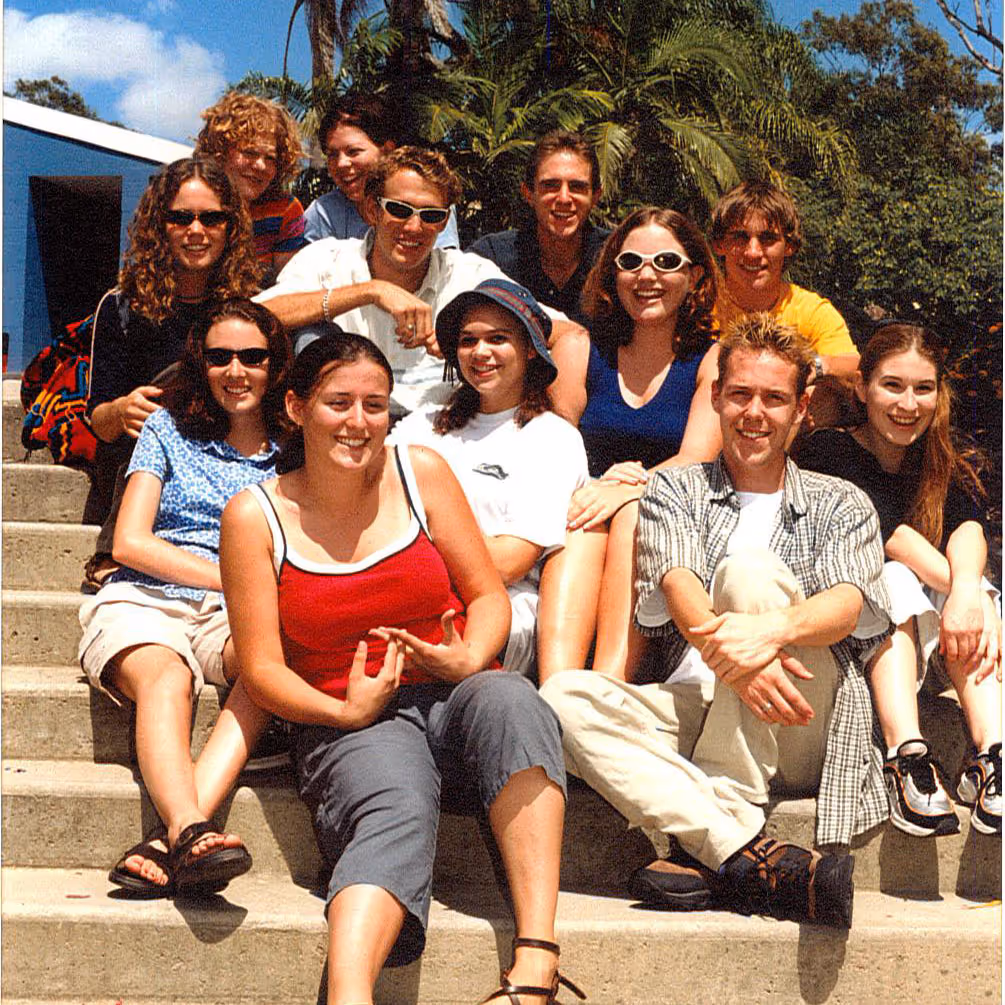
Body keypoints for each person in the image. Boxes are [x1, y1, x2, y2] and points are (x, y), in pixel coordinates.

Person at [218, 332, 581, 1005]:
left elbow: (486, 597)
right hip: (348, 714)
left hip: (452, 690)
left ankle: (536, 960)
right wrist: (341, 711)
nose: (358, 422)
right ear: (295, 406)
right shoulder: (255, 515)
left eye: (375, 404)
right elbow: (261, 669)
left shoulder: (420, 472)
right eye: (338, 402)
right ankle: (348, 995)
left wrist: (469, 655)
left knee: (515, 703)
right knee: (397, 803)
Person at [541, 314, 893, 928]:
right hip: (702, 702)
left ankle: (715, 825)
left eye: (774, 398)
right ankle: (739, 853)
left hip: (800, 710)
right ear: (715, 398)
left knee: (748, 574)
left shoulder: (841, 499)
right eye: (740, 395)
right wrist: (733, 661)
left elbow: (847, 605)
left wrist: (768, 634)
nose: (755, 413)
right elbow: (676, 582)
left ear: (803, 407)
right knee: (562, 698)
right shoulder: (675, 490)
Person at [78, 299, 292, 897]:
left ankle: (169, 836)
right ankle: (192, 825)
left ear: (276, 366)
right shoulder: (168, 429)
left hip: (236, 610)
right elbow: (131, 542)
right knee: (167, 679)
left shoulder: (293, 449)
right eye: (220, 357)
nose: (236, 371)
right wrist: (231, 578)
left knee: (264, 670)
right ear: (200, 364)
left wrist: (242, 591)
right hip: (146, 597)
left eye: (253, 357)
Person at [797, 322, 1001, 837]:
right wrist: (967, 595)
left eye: (923, 388)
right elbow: (892, 537)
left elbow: (970, 529)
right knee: (895, 577)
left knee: (972, 585)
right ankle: (906, 755)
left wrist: (971, 593)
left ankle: (992, 755)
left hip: (927, 642)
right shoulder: (828, 452)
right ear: (863, 387)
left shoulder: (937, 458)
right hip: (847, 637)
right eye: (892, 385)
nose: (908, 403)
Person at [535, 208, 723, 682]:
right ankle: (558, 689)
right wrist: (601, 489)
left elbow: (694, 458)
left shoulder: (713, 359)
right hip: (589, 499)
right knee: (583, 520)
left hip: (673, 508)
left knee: (634, 516)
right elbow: (556, 440)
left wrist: (627, 490)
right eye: (631, 262)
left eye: (666, 262)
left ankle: (608, 686)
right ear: (612, 272)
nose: (647, 276)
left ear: (694, 275)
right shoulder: (582, 348)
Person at [257, 146, 580, 416]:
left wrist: (465, 338)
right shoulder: (327, 260)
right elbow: (250, 319)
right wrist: (371, 292)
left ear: (444, 223)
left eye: (431, 215)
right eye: (399, 210)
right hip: (344, 433)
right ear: (373, 210)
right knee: (313, 337)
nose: (413, 227)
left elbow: (568, 334)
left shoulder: (467, 275)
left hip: (443, 439)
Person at [392, 279, 589, 678]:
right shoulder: (422, 424)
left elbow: (509, 561)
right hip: (409, 594)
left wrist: (420, 533)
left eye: (498, 338)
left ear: (531, 349)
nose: (480, 352)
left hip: (503, 616)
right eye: (467, 341)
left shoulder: (554, 439)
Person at [83, 157, 261, 589]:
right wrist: (122, 410)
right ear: (159, 226)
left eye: (211, 218)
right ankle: (114, 548)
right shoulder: (123, 306)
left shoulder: (254, 302)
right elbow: (99, 422)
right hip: (147, 456)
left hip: (230, 440)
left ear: (230, 226)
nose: (196, 231)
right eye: (180, 218)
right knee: (170, 386)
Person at [709, 181, 859, 384]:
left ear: (789, 246)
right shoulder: (699, 305)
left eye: (767, 239)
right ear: (719, 244)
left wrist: (815, 365)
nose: (753, 252)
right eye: (740, 238)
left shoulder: (810, 310)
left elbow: (854, 365)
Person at [468, 130, 609, 324]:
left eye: (577, 187)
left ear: (595, 196)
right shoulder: (492, 257)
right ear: (528, 193)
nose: (564, 198)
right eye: (550, 186)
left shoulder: (617, 258)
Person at [303, 93, 459, 248]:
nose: (341, 163)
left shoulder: (429, 198)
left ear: (387, 150)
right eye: (332, 155)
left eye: (354, 151)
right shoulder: (323, 214)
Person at [195, 92, 307, 283]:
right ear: (220, 152)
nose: (260, 166)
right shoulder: (191, 201)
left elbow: (290, 290)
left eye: (270, 158)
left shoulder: (284, 211)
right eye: (249, 152)